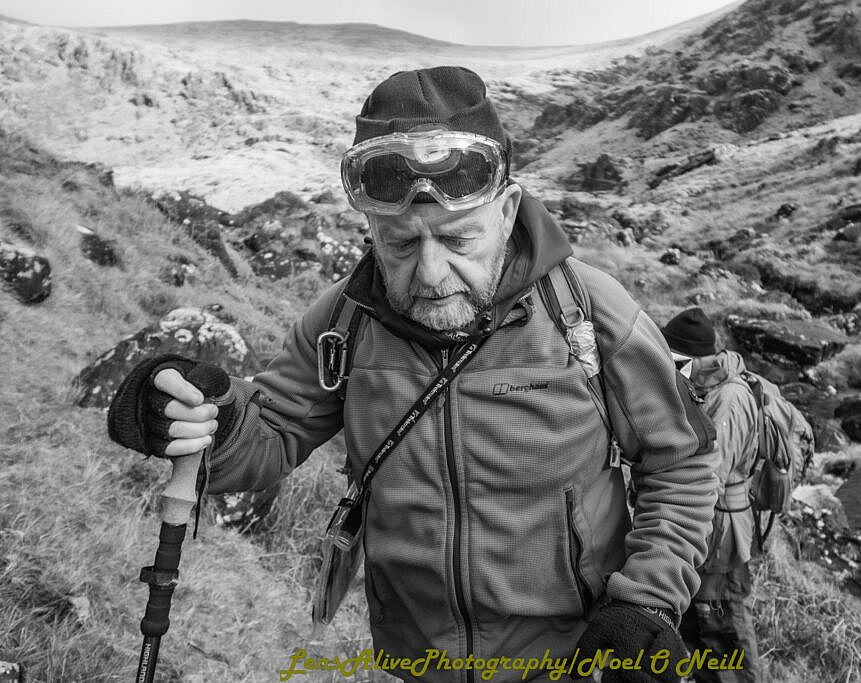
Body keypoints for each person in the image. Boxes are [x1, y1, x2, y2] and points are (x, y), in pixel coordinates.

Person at [108, 66, 719, 683]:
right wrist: (202, 418)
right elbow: (266, 439)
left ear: (507, 213)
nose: (430, 274)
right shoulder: (343, 321)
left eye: (457, 239)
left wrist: (645, 601)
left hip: (571, 659)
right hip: (413, 663)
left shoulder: (587, 310)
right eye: (400, 245)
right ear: (371, 229)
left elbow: (683, 460)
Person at [660, 307, 762, 683]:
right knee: (701, 627)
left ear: (695, 358)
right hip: (713, 527)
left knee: (722, 630)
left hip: (721, 535)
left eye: (675, 359)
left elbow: (708, 476)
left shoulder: (728, 401)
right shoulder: (707, 386)